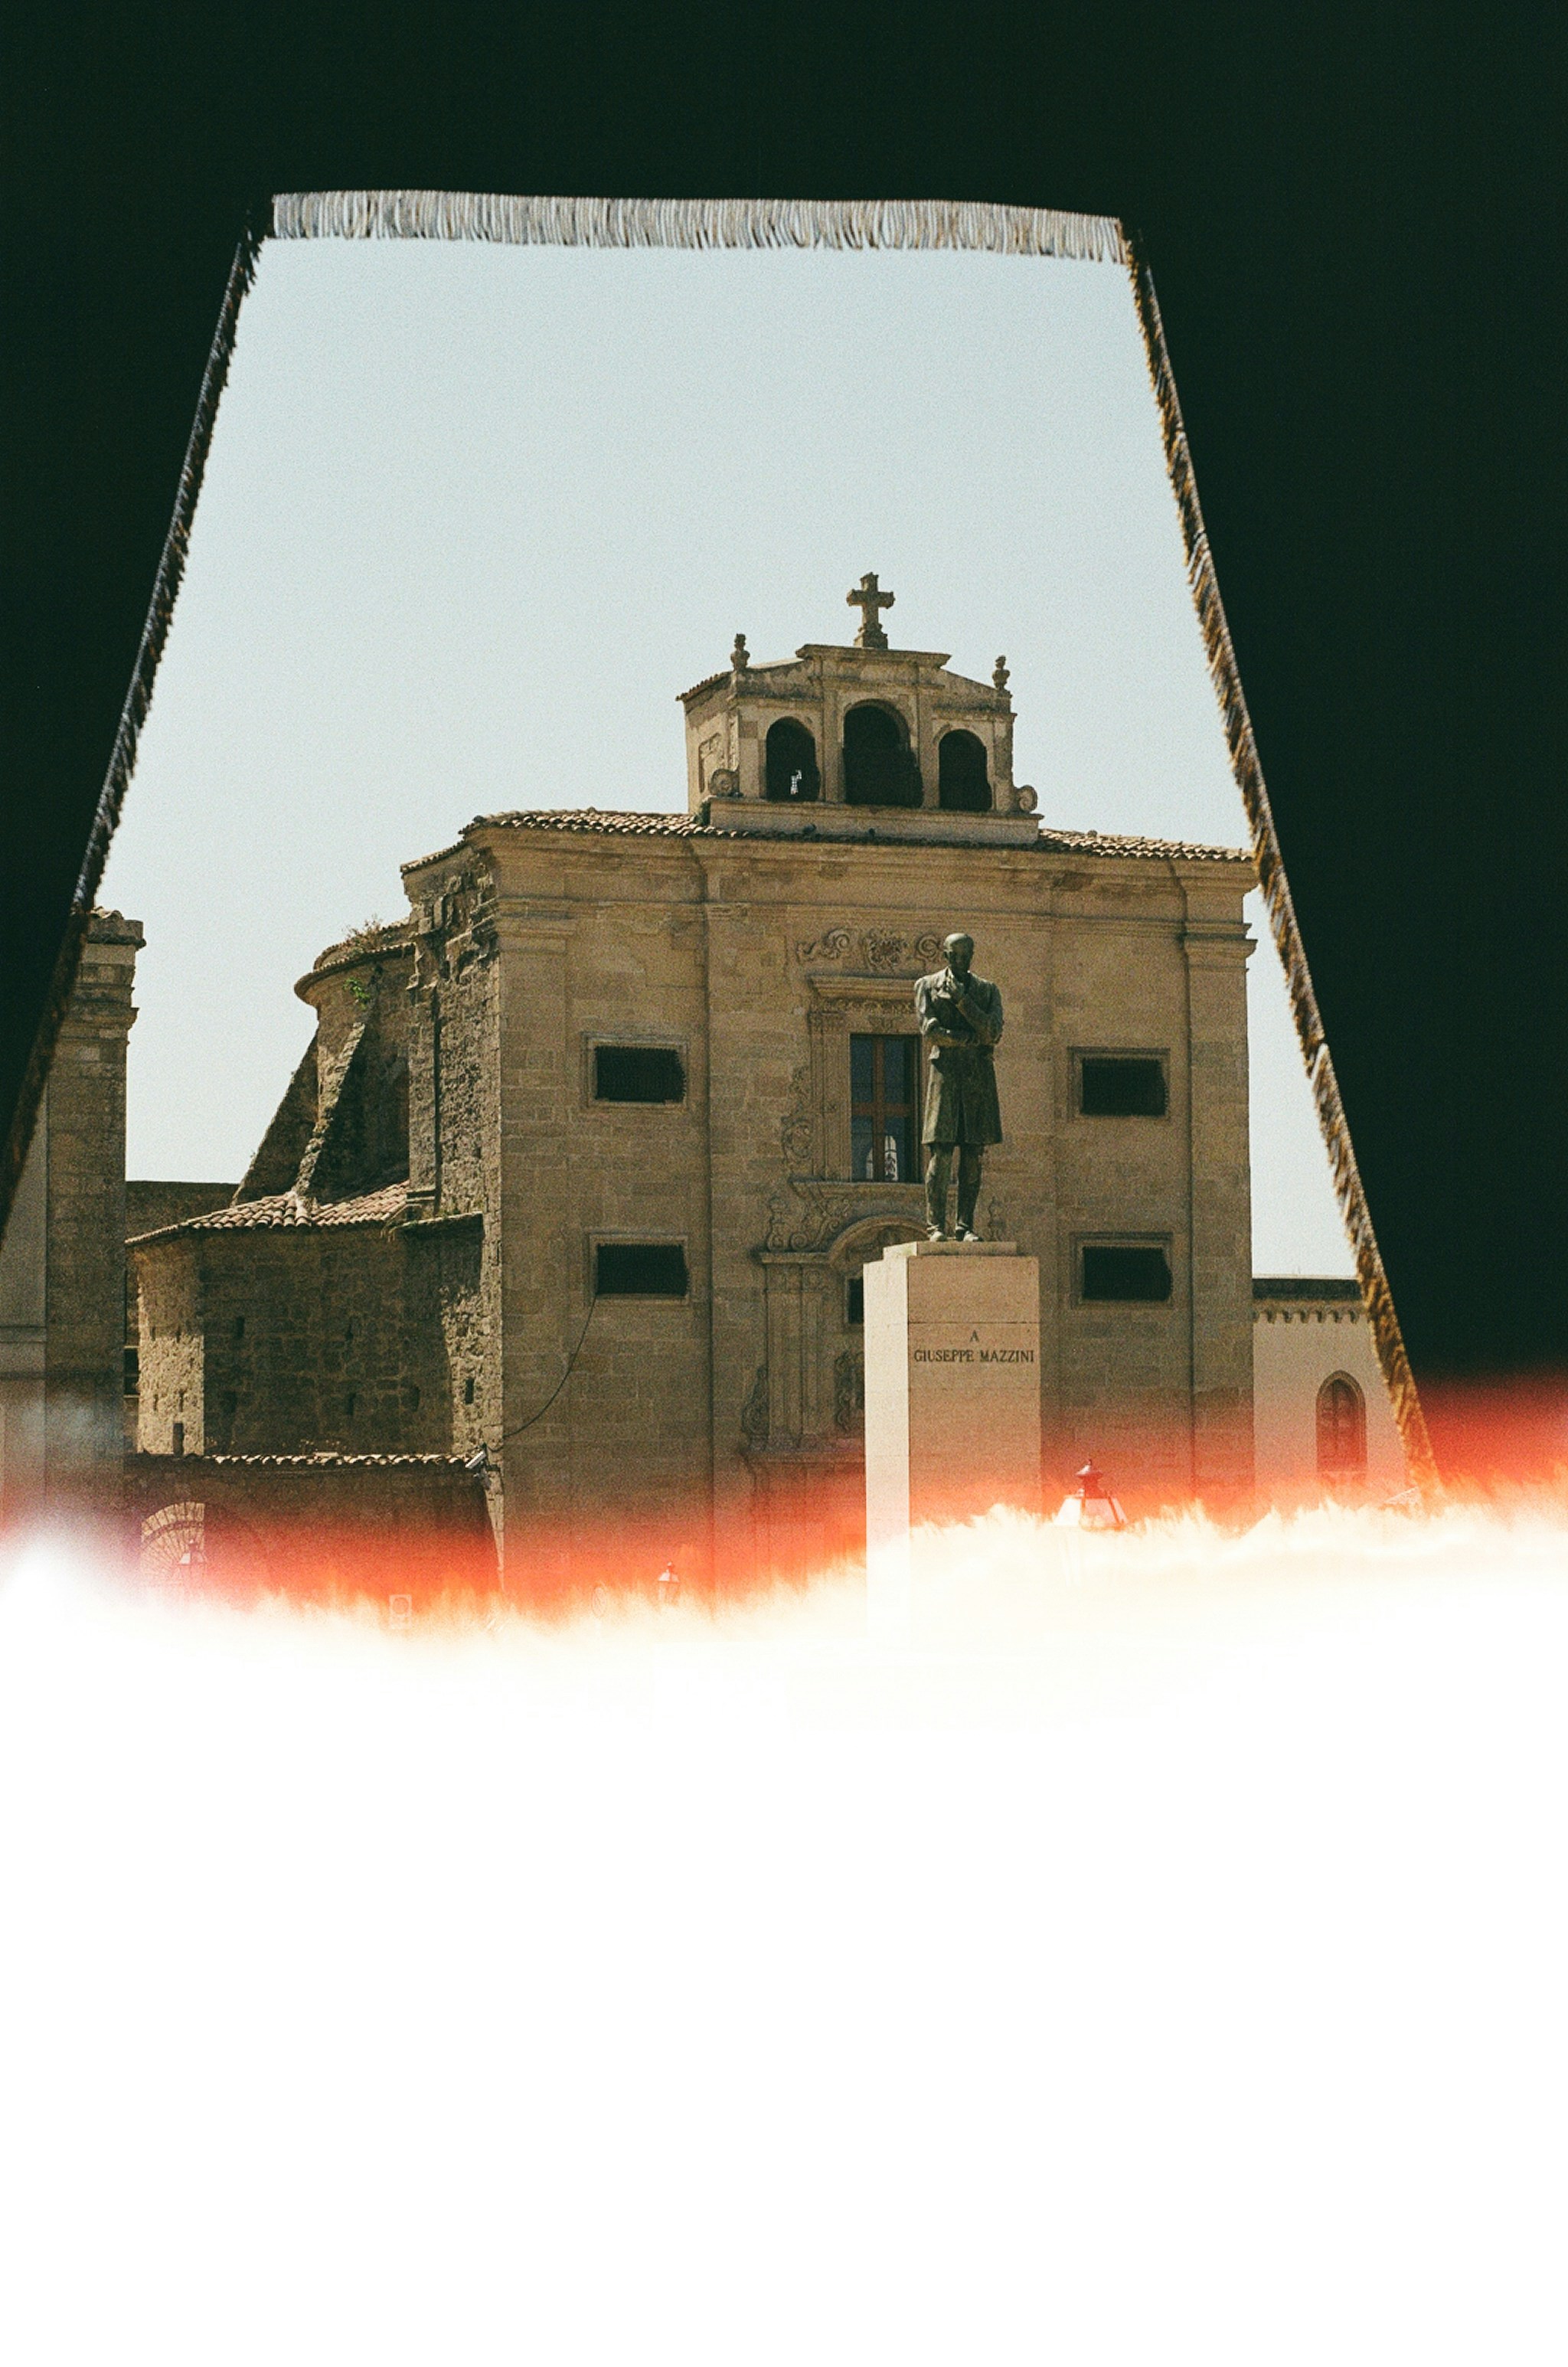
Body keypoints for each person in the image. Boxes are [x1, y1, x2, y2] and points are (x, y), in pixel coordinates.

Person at [913, 931, 1004, 1241]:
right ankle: (936, 1226)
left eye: (966, 955)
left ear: (972, 956)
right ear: (946, 955)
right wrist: (963, 1038)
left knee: (973, 1153)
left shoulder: (986, 991)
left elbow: (992, 1032)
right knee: (941, 1152)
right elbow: (930, 1030)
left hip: (978, 1079)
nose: (961, 961)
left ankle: (965, 1226)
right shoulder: (926, 986)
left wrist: (964, 1003)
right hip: (946, 1077)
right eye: (955, 955)